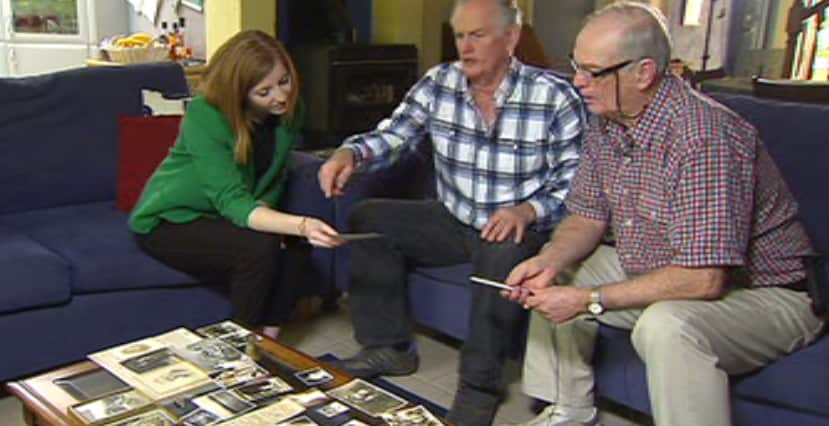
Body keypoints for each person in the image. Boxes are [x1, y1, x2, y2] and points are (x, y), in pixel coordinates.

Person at [505, 3, 826, 426]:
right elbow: (586, 218)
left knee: (666, 325)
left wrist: (590, 301)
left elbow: (703, 278)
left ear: (644, 72)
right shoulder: (608, 120)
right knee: (557, 270)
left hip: (767, 294)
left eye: (594, 71)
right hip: (661, 264)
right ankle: (569, 408)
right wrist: (547, 263)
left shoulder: (705, 137)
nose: (578, 82)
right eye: (576, 66)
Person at [317, 0, 585, 424]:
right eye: (460, 36)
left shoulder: (554, 97)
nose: (465, 47)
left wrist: (527, 210)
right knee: (368, 218)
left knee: (502, 251)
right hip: (452, 217)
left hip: (518, 227)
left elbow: (576, 185)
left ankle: (480, 386)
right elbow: (394, 134)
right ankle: (388, 347)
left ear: (511, 38)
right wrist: (351, 152)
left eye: (478, 35)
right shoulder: (438, 83)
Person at [129, 30, 343, 340]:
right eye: (264, 91)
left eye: (284, 81)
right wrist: (302, 224)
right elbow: (232, 201)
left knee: (295, 246)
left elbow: (275, 176)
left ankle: (268, 340)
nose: (280, 96)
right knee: (261, 246)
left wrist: (278, 220)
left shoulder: (290, 110)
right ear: (239, 92)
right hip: (170, 220)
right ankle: (238, 344)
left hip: (226, 215)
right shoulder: (206, 114)